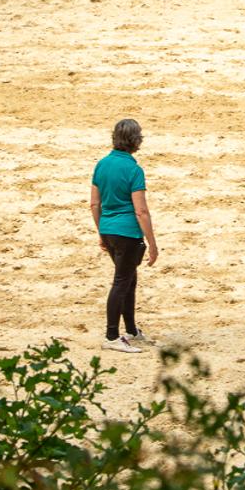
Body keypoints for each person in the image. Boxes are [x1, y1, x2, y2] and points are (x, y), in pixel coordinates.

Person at [90, 118, 160, 353]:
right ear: (136, 140)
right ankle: (111, 335)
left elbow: (94, 203)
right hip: (127, 232)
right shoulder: (133, 169)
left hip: (108, 229)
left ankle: (130, 330)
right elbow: (141, 210)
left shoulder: (101, 165)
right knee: (122, 282)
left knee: (129, 279)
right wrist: (152, 243)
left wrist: (101, 232)